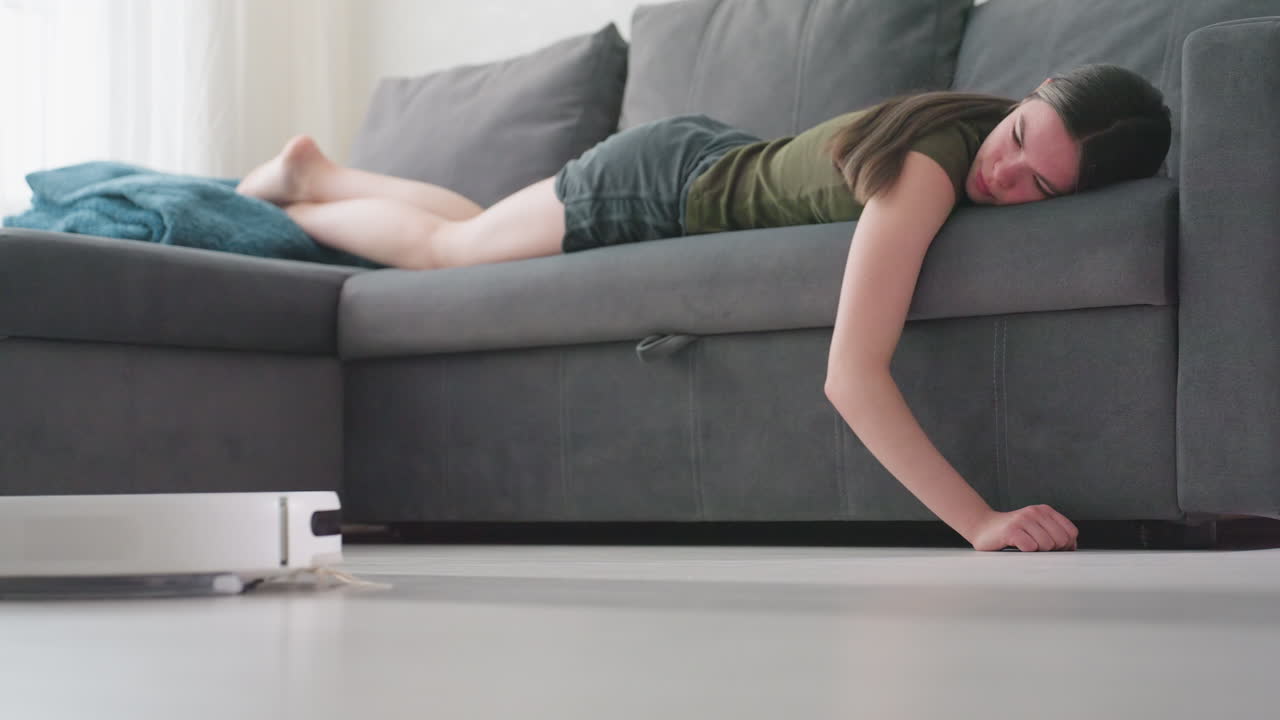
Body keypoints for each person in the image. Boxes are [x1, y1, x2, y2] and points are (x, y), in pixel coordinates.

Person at [238, 64, 1172, 553]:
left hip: (710, 155)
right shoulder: (927, 169)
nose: (999, 173)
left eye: (1037, 187)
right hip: (659, 183)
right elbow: (852, 374)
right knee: (451, 255)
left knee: (481, 227)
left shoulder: (971, 136)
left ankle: (320, 171)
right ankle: (277, 195)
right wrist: (979, 521)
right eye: (1014, 139)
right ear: (1027, 95)